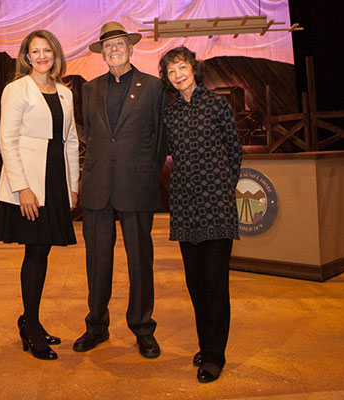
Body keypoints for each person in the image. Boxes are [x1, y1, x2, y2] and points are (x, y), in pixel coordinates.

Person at [73, 21, 167, 359]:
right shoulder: (90, 88)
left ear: (131, 49)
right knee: (97, 262)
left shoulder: (154, 87)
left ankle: (143, 328)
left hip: (137, 186)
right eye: (108, 46)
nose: (114, 50)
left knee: (140, 261)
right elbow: (95, 139)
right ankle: (96, 325)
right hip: (98, 188)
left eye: (120, 44)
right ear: (102, 53)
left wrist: (144, 173)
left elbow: (160, 140)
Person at [0, 30, 80, 361]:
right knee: (34, 252)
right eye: (35, 51)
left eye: (47, 50)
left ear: (55, 55)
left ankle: (31, 320)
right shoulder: (16, 90)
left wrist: (72, 185)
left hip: (56, 179)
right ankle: (30, 327)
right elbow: (7, 139)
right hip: (30, 183)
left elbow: (70, 141)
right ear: (26, 57)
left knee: (43, 251)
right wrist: (22, 187)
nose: (42, 56)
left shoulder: (65, 93)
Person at [159, 47, 242, 383]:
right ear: (166, 78)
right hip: (184, 208)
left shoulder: (217, 104)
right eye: (171, 71)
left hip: (217, 207)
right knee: (195, 283)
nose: (178, 74)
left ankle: (214, 357)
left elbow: (234, 151)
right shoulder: (171, 113)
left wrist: (221, 187)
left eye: (182, 67)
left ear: (194, 68)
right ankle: (206, 344)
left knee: (215, 283)